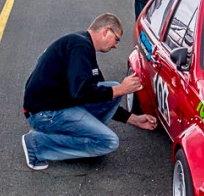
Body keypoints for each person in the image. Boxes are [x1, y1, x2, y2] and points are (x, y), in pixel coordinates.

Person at [20, 13, 157, 170]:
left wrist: (133, 119)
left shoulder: (83, 45)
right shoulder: (79, 47)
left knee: (110, 87)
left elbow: (99, 94)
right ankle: (37, 144)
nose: (115, 45)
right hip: (44, 113)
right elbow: (81, 92)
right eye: (117, 39)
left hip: (57, 105)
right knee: (108, 142)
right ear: (106, 30)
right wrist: (121, 89)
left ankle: (80, 135)